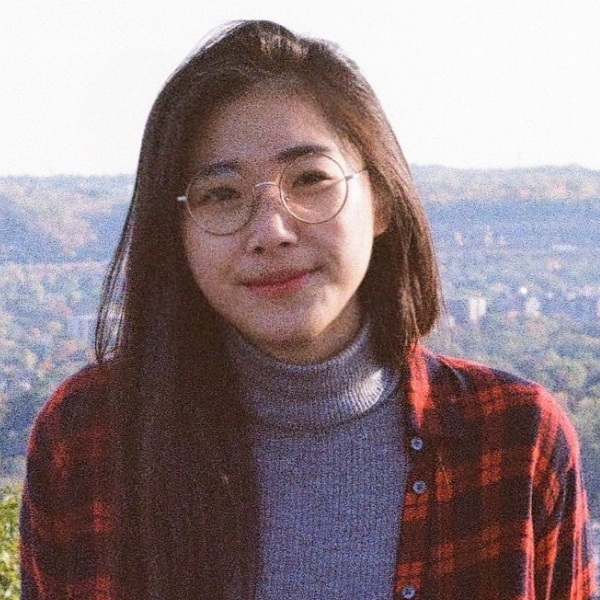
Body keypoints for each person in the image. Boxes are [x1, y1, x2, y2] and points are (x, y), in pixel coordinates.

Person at [19, 19, 596, 600]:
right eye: (222, 194)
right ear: (177, 233)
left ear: (381, 200)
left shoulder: (515, 441)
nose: (271, 231)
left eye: (310, 179)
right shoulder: (90, 439)